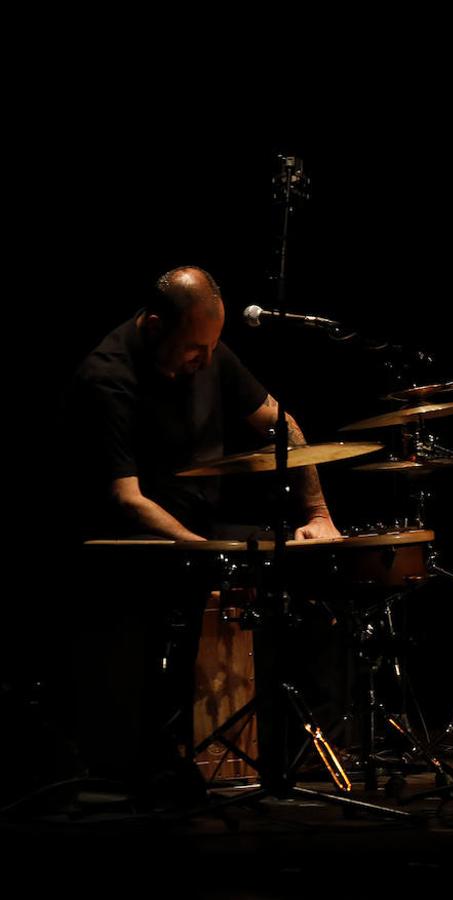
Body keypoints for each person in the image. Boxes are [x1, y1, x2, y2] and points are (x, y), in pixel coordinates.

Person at [64, 266, 340, 801]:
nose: (206, 360)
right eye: (194, 348)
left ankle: (300, 746)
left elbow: (284, 425)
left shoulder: (207, 350)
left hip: (199, 523)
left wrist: (317, 515)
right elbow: (126, 498)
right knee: (174, 592)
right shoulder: (108, 376)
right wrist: (200, 551)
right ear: (152, 326)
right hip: (124, 540)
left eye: (213, 346)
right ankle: (158, 758)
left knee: (307, 561)